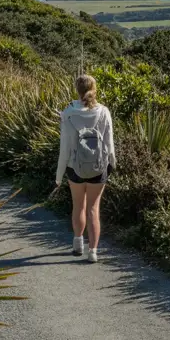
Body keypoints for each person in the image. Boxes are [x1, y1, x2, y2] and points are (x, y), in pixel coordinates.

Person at [56, 74, 115, 262]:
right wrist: (111, 164)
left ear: (77, 90)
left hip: (74, 167)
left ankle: (77, 243)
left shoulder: (68, 113)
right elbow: (109, 144)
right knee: (93, 209)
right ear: (94, 89)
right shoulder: (104, 112)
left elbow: (64, 147)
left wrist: (59, 175)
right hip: (98, 167)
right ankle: (93, 252)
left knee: (78, 206)